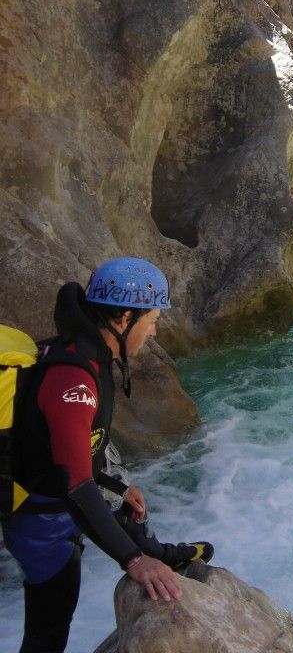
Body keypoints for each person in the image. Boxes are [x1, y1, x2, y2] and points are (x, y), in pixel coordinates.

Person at [2, 257, 213, 653]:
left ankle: (168, 554)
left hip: (53, 507)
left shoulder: (86, 352)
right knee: (48, 630)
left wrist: (118, 486)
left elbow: (78, 446)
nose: (154, 331)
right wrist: (133, 560)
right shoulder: (75, 380)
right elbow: (74, 484)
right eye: (153, 319)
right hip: (41, 524)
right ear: (125, 317)